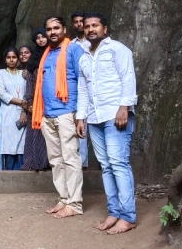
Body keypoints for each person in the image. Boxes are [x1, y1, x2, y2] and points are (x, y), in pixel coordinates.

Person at [76, 12, 137, 235]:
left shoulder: (118, 50)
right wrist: (81, 117)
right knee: (106, 165)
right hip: (94, 118)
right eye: (87, 26)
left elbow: (128, 78)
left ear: (105, 29)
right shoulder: (83, 56)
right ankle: (114, 211)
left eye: (95, 25)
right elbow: (83, 89)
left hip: (115, 115)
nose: (91, 29)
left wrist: (124, 107)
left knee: (119, 163)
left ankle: (128, 216)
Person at [32, 16, 84, 218]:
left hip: (67, 113)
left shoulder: (73, 50)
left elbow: (84, 82)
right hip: (47, 115)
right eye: (49, 29)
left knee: (71, 158)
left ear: (64, 29)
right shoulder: (46, 53)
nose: (52, 32)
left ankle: (75, 203)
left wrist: (80, 115)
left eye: (56, 28)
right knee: (56, 160)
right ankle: (64, 199)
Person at [21, 28, 49, 171]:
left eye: (43, 36)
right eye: (37, 37)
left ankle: (49, 163)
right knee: (35, 133)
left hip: (51, 101)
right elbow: (30, 81)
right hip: (36, 101)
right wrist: (30, 102)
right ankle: (35, 163)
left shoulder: (53, 55)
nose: (41, 40)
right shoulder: (33, 59)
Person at [0, 47, 27, 170]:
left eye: (14, 57)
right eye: (8, 57)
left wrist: (24, 111)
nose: (11, 60)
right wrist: (22, 103)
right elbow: (2, 94)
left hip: (22, 113)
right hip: (8, 112)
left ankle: (21, 174)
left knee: (22, 144)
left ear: (18, 59)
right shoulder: (1, 73)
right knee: (8, 144)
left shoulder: (23, 74)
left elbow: (27, 92)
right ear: (5, 59)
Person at [70, 10, 91, 170]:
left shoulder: (93, 43)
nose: (79, 24)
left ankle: (85, 163)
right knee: (79, 123)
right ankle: (80, 162)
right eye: (76, 22)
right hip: (77, 88)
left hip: (93, 86)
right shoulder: (71, 45)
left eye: (81, 21)